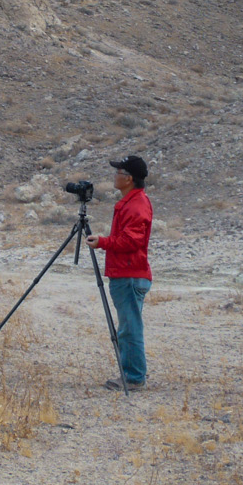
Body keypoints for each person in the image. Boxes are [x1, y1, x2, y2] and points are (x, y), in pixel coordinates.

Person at [86, 155, 153, 391]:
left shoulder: (137, 205)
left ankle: (134, 377)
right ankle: (132, 374)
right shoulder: (132, 202)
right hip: (127, 273)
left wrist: (103, 242)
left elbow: (132, 242)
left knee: (129, 328)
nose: (115, 176)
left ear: (129, 178)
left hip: (130, 275)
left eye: (118, 172)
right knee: (128, 327)